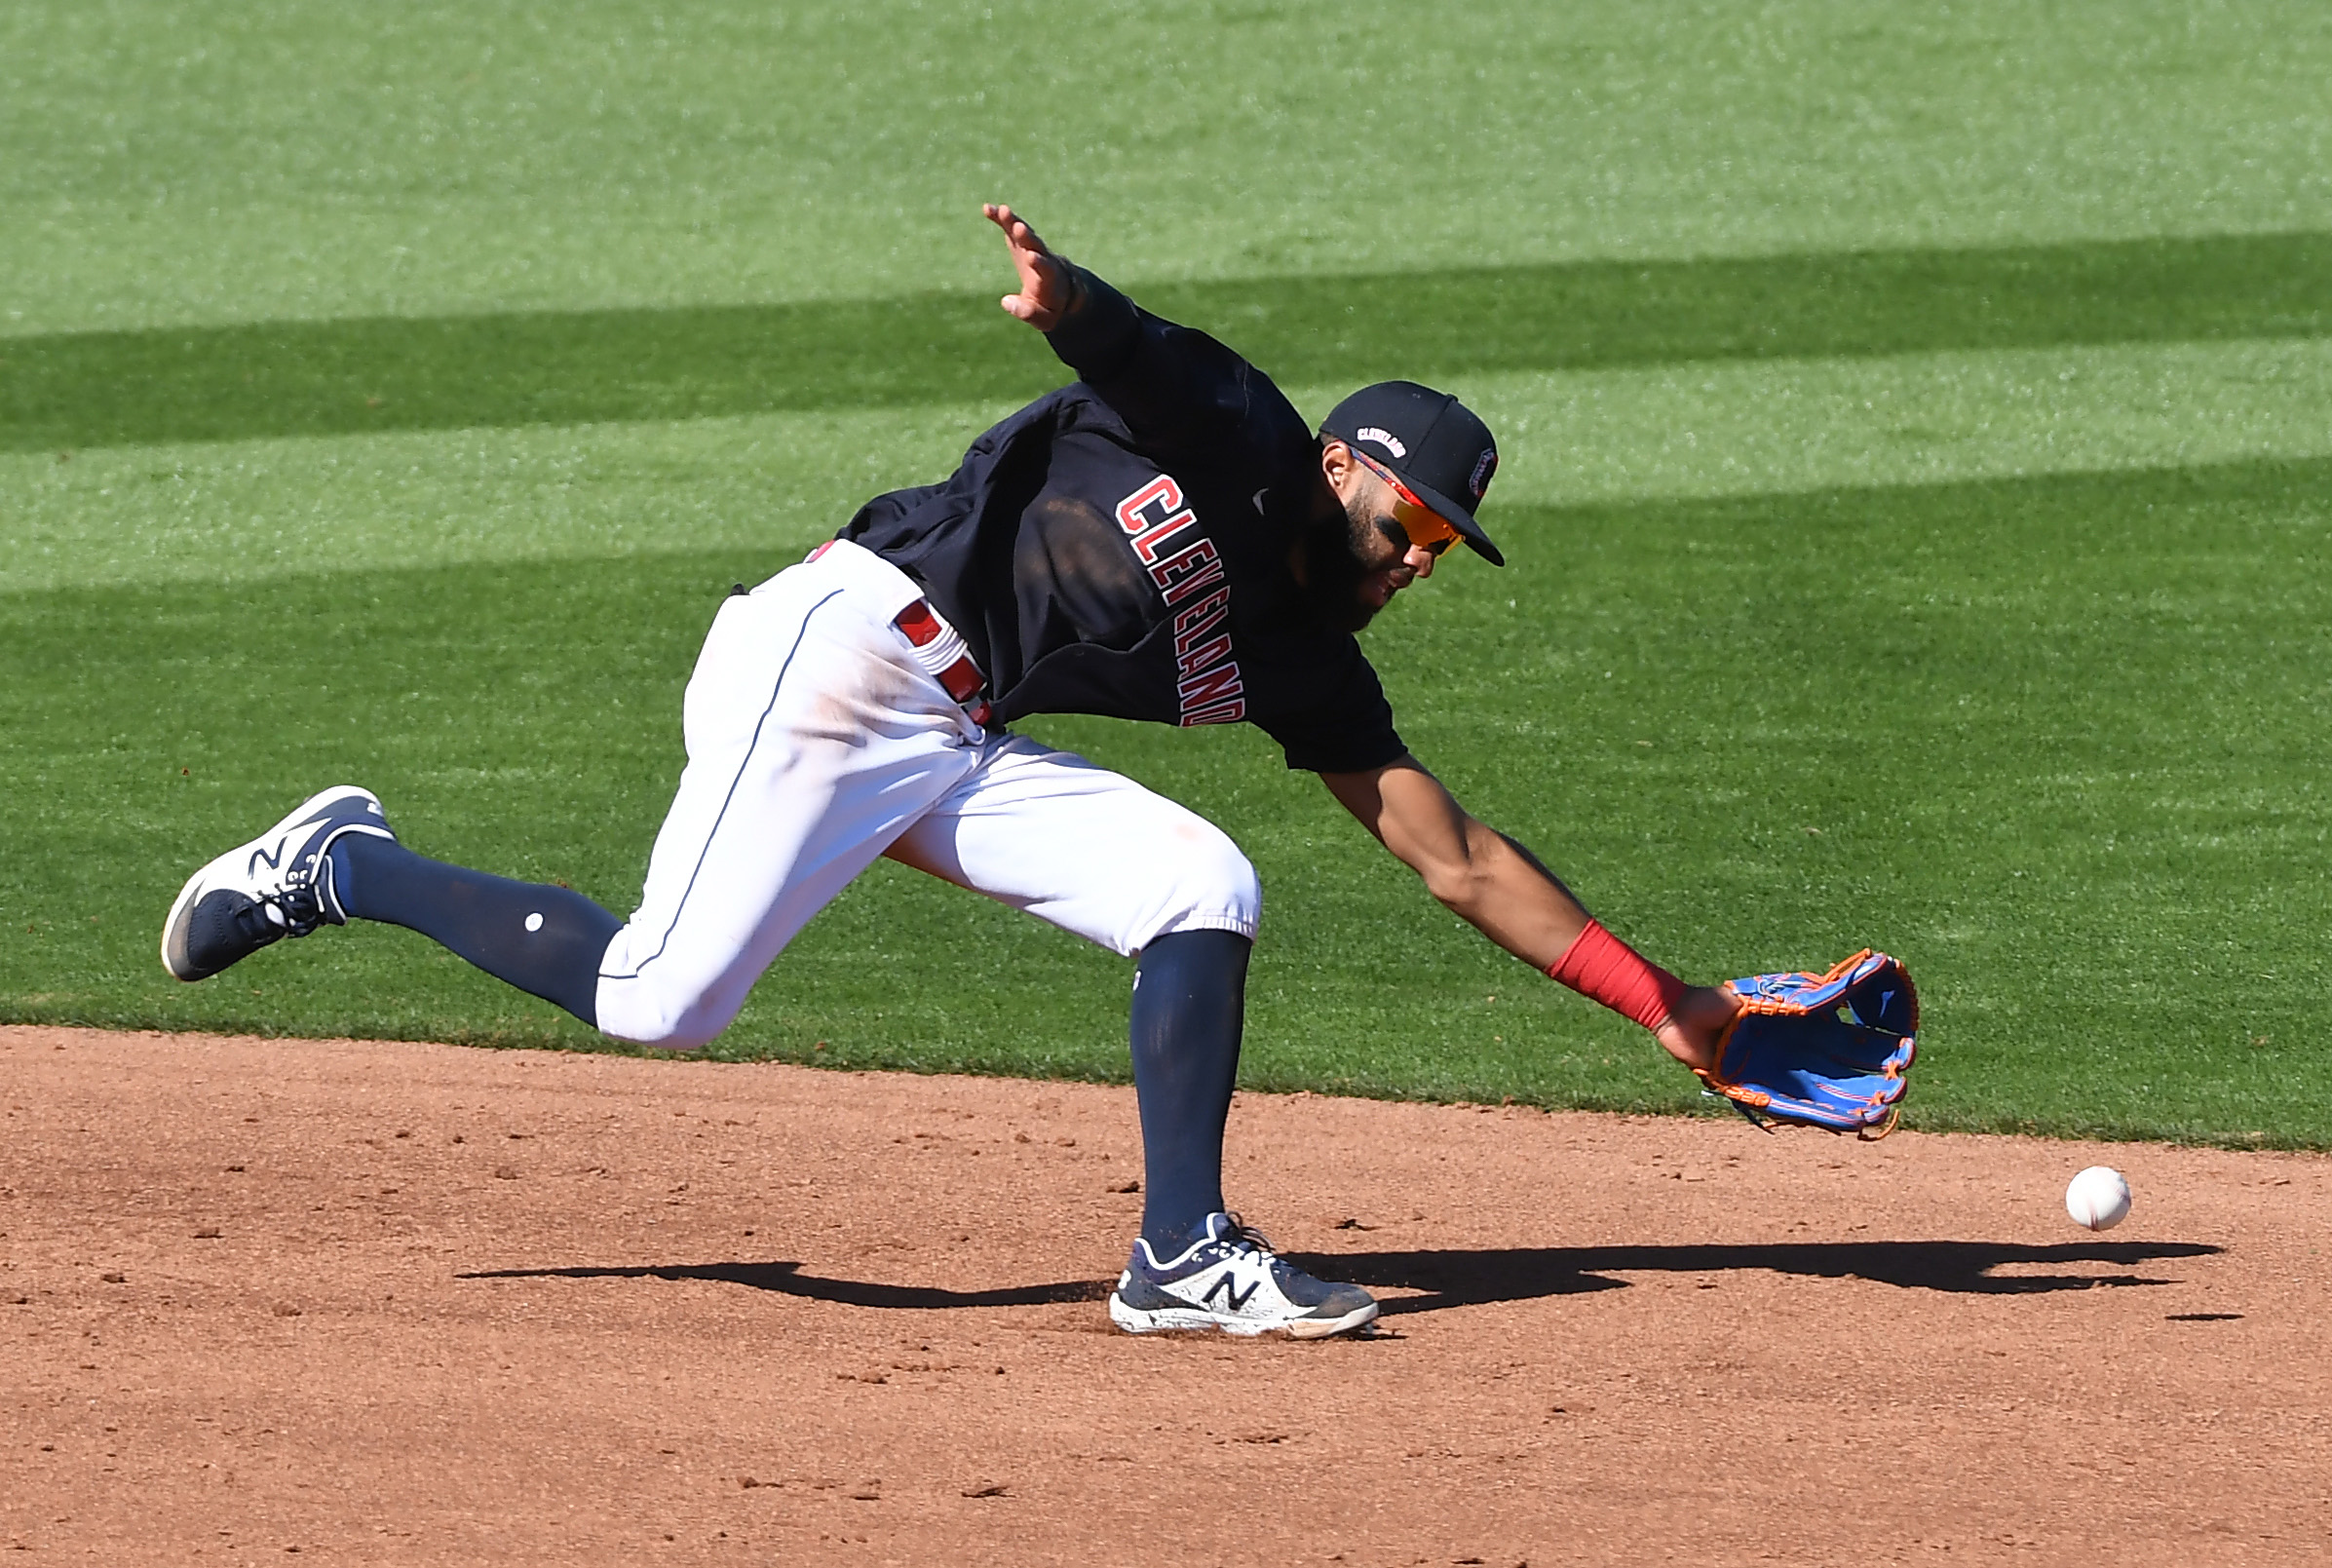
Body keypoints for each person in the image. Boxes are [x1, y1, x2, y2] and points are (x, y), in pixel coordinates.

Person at [161, 205, 1740, 1340]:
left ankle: (1178, 1253)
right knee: (660, 999)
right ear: (1345, 467)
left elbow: (1449, 850)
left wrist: (1668, 1003)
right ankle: (339, 863)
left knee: (1203, 881)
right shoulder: (1250, 446)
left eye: (1443, 548)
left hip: (951, 735)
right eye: (1412, 524)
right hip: (837, 655)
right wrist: (1068, 305)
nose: (1419, 561)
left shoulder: (1308, 656)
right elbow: (1154, 362)